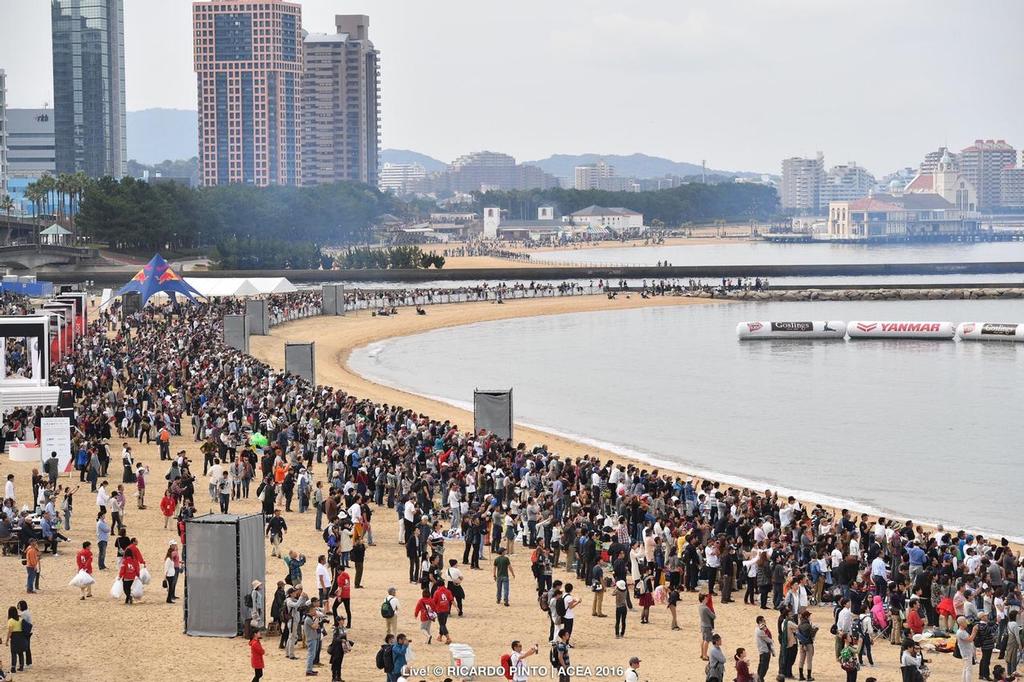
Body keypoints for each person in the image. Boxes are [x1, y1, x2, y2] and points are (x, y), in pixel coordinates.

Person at [303, 598, 323, 676]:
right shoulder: (308, 619)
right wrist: (317, 618)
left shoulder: (310, 618)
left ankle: (310, 669)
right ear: (310, 611)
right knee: (311, 655)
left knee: (312, 654)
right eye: (313, 611)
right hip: (311, 639)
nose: (315, 612)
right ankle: (308, 670)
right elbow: (315, 626)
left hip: (313, 638)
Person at [958, 616, 980, 682]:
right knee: (969, 669)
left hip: (966, 652)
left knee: (966, 668)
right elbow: (970, 639)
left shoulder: (962, 631)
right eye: (965, 621)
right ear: (961, 623)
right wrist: (974, 631)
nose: (966, 623)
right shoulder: (961, 632)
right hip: (966, 653)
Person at [756, 614, 775, 682]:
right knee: (764, 667)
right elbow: (768, 639)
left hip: (762, 650)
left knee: (761, 665)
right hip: (764, 650)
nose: (765, 622)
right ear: (760, 621)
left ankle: (759, 678)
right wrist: (772, 641)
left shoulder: (758, 629)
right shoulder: (760, 631)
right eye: (764, 620)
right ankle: (760, 679)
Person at [6, 606, 26, 674]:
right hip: (21, 636)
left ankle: (13, 668)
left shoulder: (10, 621)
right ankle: (21, 666)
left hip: (14, 637)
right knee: (20, 652)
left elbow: (10, 632)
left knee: (13, 652)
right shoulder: (20, 619)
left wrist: (7, 640)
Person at [700, 593, 716, 660]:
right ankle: (705, 655)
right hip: (707, 625)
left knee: (703, 640)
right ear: (703, 599)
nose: (707, 599)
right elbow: (713, 616)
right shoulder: (706, 608)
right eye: (706, 598)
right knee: (707, 641)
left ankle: (702, 654)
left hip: (702, 625)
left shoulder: (700, 606)